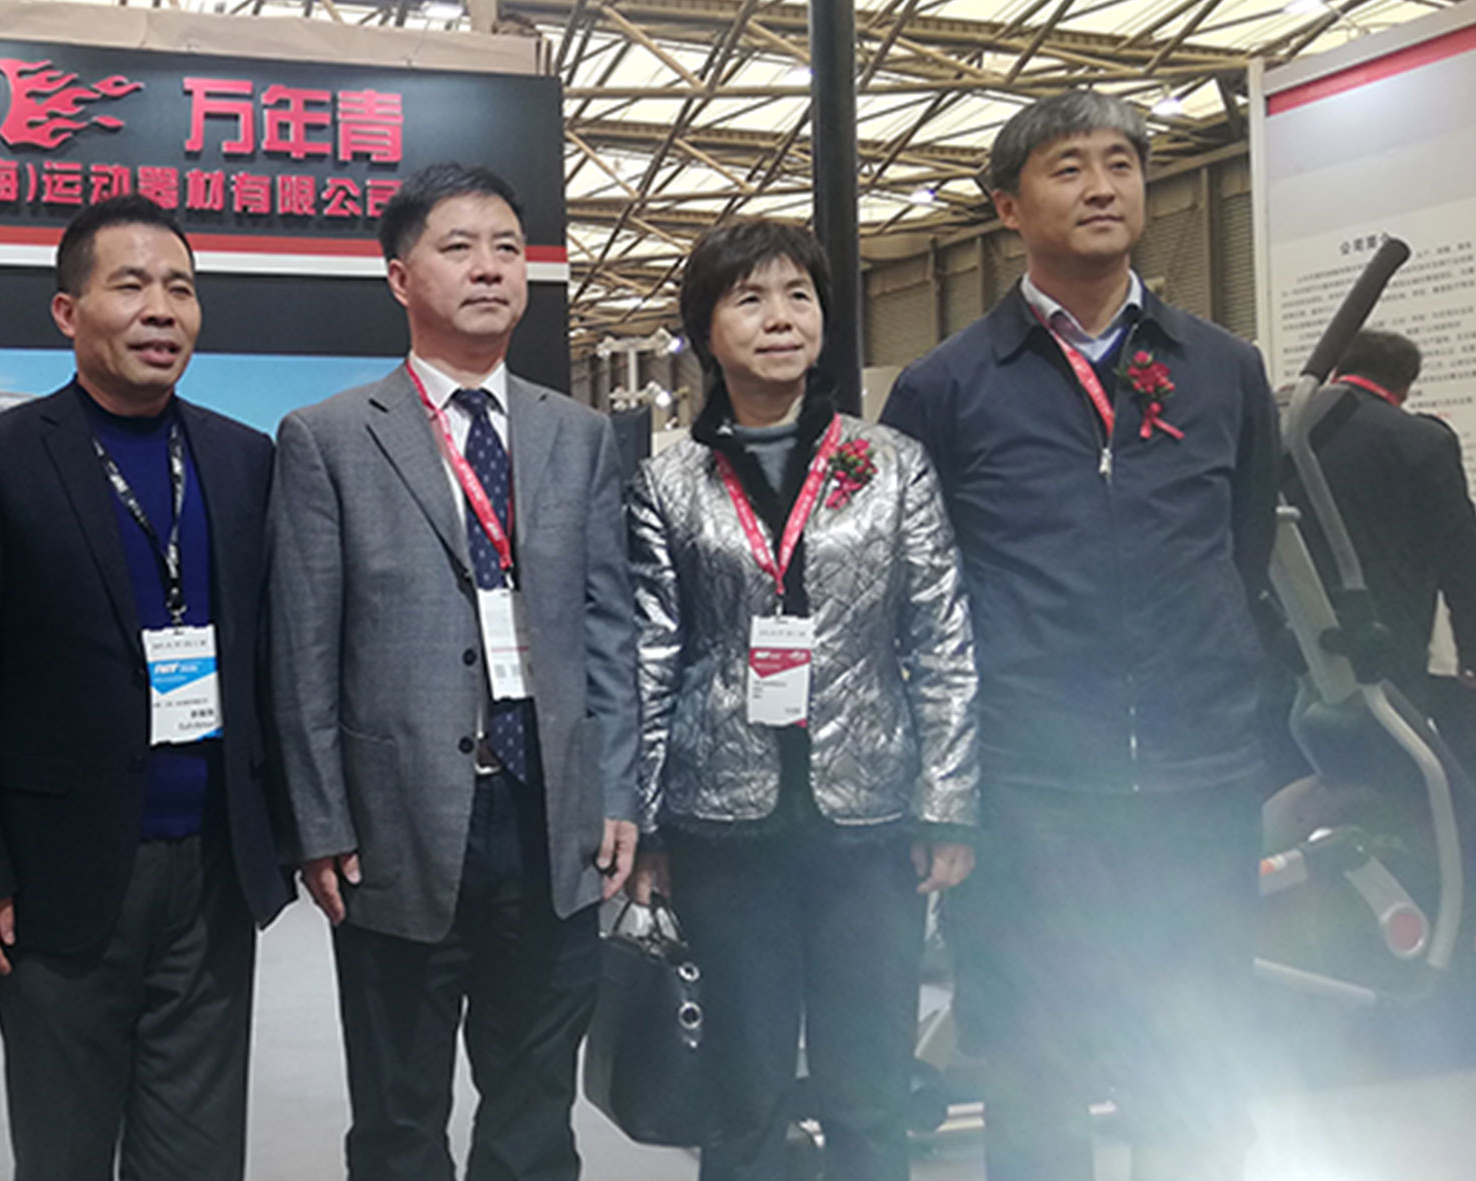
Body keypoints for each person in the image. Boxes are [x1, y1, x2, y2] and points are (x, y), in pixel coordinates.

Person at [880, 90, 1279, 1180]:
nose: (1102, 187)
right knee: (1033, 1066)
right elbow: (914, 597)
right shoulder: (946, 386)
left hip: (1197, 774)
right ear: (1007, 206)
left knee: (1194, 1058)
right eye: (1067, 167)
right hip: (1029, 790)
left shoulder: (1221, 368)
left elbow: (1241, 551)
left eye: (1120, 163)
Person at [0, 194, 292, 1180]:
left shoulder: (242, 459)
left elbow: (270, 661)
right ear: (67, 311)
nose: (161, 309)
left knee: (199, 1157)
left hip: (211, 868)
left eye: (181, 289)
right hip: (57, 874)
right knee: (64, 1151)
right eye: (131, 285)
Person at [269, 162, 639, 1180]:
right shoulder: (330, 438)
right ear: (400, 277)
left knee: (535, 1108)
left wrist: (616, 787)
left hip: (552, 815)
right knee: (399, 1117)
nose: (489, 268)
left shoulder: (577, 435)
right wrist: (320, 821)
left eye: (507, 249)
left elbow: (608, 626)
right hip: (400, 822)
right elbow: (303, 648)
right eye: (459, 247)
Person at [627, 220, 978, 1181]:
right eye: (749, 299)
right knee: (741, 1100)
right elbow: (651, 655)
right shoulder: (668, 481)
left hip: (869, 823)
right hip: (720, 826)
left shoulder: (891, 464)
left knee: (868, 1091)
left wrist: (947, 803)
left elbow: (941, 638)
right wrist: (645, 824)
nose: (779, 318)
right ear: (706, 330)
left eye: (798, 296)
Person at [1286, 329, 1476, 710]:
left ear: (1336, 371)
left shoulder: (1285, 429)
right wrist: (1470, 650)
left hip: (1292, 628)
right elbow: (1461, 555)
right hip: (1387, 635)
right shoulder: (1422, 440)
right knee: (1390, 739)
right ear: (1404, 387)